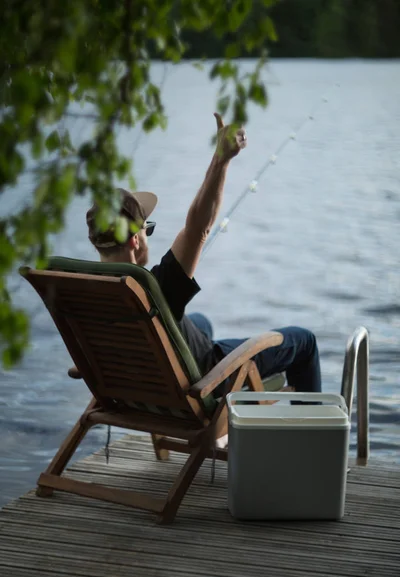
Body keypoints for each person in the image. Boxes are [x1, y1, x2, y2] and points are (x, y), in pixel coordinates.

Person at [86, 113, 321, 394]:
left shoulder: (87, 292)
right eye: (147, 230)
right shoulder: (155, 292)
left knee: (201, 322)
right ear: (135, 240)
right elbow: (198, 227)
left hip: (138, 383)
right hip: (202, 377)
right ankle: (308, 426)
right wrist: (221, 160)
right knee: (305, 342)